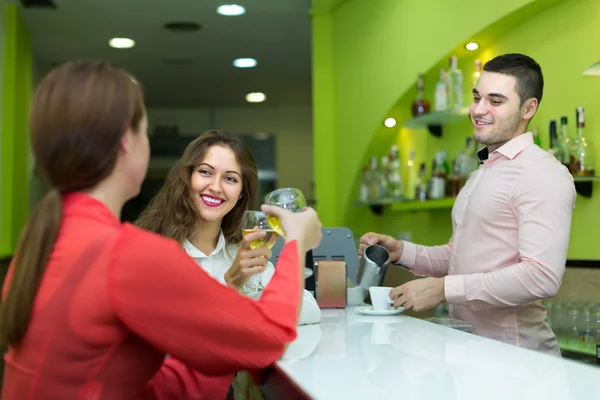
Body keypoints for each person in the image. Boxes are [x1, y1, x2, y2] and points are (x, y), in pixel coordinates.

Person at [0, 60, 323, 399]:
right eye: (145, 130)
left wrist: (218, 347)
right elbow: (270, 338)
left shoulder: (43, 243)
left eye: (229, 178)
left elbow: (126, 381)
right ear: (127, 142)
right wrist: (297, 241)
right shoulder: (129, 256)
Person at [360, 53, 576, 356]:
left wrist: (443, 289)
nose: (478, 109)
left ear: (529, 108)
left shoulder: (541, 173)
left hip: (517, 360)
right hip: (468, 352)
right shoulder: (482, 172)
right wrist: (401, 251)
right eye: (477, 97)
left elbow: (540, 276)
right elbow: (458, 256)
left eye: (495, 101)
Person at [135, 129, 321, 399]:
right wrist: (236, 294)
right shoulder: (155, 253)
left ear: (241, 194)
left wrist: (249, 304)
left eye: (230, 178)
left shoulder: (241, 250)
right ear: (187, 178)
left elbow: (310, 308)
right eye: (206, 172)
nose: (216, 187)